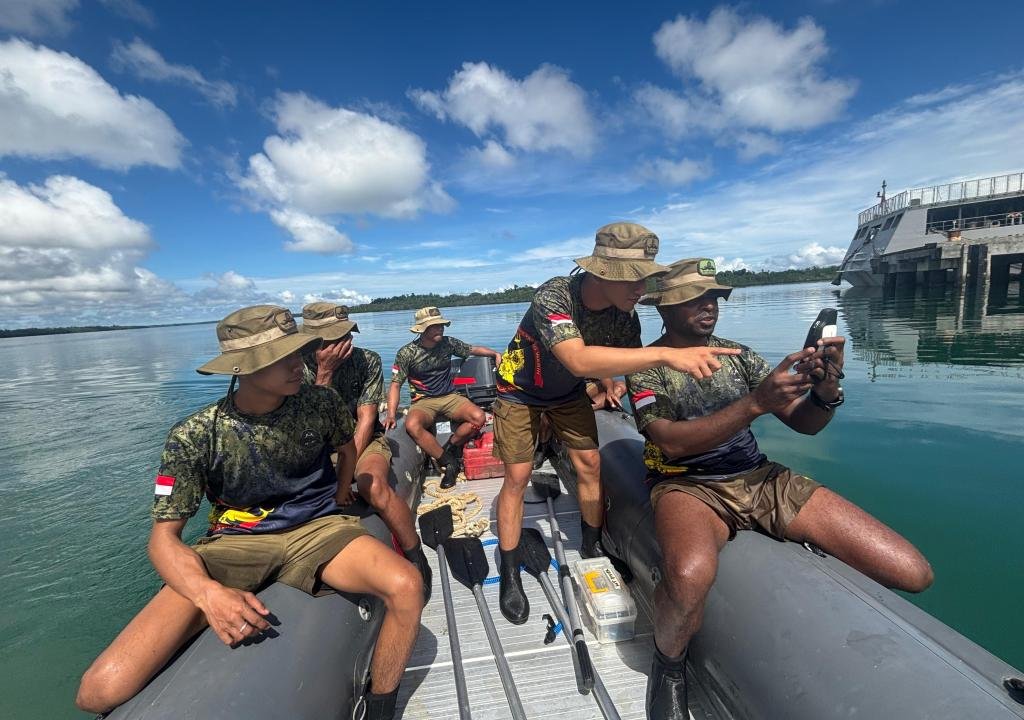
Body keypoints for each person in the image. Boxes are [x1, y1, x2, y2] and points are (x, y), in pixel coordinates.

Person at [76, 306, 422, 720]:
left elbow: (347, 448)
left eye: (299, 352)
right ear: (243, 368)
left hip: (317, 528)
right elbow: (162, 538)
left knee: (406, 586)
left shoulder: (320, 402)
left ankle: (382, 708)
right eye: (283, 357)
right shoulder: (195, 435)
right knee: (99, 690)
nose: (299, 364)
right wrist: (208, 595)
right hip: (236, 543)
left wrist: (342, 490)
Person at [625, 259, 934, 719]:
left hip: (758, 476)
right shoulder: (647, 367)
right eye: (695, 298)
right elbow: (668, 443)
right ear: (664, 309)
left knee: (913, 572)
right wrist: (754, 404)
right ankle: (669, 664)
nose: (709, 306)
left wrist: (825, 389)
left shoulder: (740, 356)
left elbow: (804, 425)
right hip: (687, 485)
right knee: (688, 576)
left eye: (714, 297)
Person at [492, 222, 741, 626]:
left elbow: (616, 360)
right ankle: (508, 572)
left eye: (644, 278)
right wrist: (665, 357)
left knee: (590, 463)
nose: (639, 288)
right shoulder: (554, 295)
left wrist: (609, 387)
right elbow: (577, 358)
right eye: (632, 278)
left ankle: (592, 546)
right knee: (518, 476)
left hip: (567, 393)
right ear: (600, 272)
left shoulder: (625, 319)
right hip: (518, 391)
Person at [301, 302, 432, 603]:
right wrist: (324, 374)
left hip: (362, 440)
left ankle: (415, 554)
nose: (341, 344)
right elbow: (302, 424)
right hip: (315, 445)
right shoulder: (297, 369)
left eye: (344, 335)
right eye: (331, 339)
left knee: (372, 484)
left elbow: (366, 418)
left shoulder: (367, 361)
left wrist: (345, 478)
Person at [386, 306, 502, 489]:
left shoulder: (448, 343)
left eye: (441, 325)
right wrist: (391, 414)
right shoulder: (407, 353)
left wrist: (494, 353)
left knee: (479, 417)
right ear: (422, 329)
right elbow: (395, 384)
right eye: (434, 326)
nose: (440, 328)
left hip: (450, 396)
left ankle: (451, 446)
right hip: (423, 401)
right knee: (412, 425)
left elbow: (472, 349)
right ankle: (449, 462)